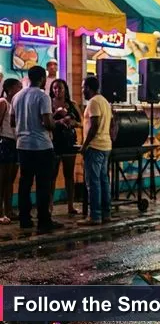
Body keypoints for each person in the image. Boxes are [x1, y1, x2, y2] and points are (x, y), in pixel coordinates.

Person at [11, 66, 61, 233]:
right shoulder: (42, 96)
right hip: (41, 146)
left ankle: (25, 219)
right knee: (43, 185)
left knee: (25, 183)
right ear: (41, 79)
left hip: (22, 145)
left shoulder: (17, 96)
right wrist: (57, 124)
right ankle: (43, 221)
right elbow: (47, 122)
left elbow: (12, 121)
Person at [78, 76, 113, 226]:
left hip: (95, 146)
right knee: (103, 181)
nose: (82, 90)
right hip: (105, 145)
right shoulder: (104, 101)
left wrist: (85, 145)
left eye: (83, 87)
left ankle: (95, 216)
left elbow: (95, 125)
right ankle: (106, 214)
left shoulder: (93, 102)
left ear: (88, 88)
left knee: (93, 183)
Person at [49, 79, 81, 216]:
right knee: (52, 175)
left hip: (69, 141)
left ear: (65, 89)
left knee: (69, 174)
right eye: (55, 88)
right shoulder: (48, 103)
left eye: (60, 88)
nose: (57, 91)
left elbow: (80, 122)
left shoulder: (72, 104)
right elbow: (45, 122)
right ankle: (49, 205)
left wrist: (71, 121)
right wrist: (59, 120)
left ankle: (70, 205)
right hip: (54, 142)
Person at [0, 78, 21, 225]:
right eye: (18, 88)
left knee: (10, 179)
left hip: (15, 142)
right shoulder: (3, 102)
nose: (21, 90)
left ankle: (9, 209)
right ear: (10, 89)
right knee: (2, 179)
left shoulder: (16, 105)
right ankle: (1, 212)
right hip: (5, 141)